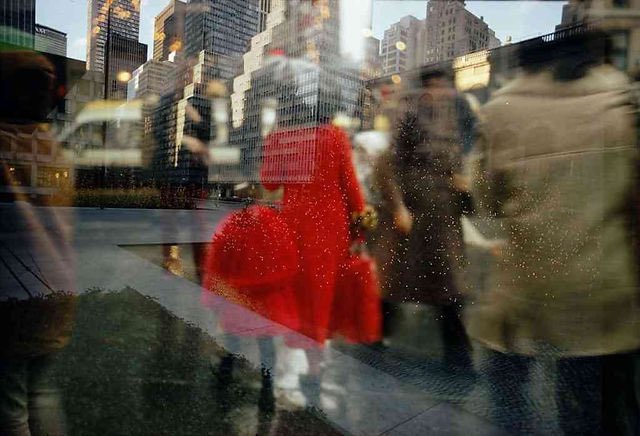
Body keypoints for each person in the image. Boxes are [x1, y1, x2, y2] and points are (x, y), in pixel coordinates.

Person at [468, 32, 640, 435]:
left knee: (508, 394)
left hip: (529, 286)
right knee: (603, 405)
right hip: (607, 289)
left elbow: (486, 200)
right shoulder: (625, 104)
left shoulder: (500, 111)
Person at [259, 56, 366, 404]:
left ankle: (306, 353)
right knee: (321, 292)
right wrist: (359, 226)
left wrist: (272, 145)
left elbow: (270, 183)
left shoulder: (282, 136)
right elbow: (350, 185)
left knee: (300, 290)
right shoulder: (333, 136)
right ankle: (317, 364)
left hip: (295, 222)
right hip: (331, 224)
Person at [0, 49, 76, 436]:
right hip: (56, 289)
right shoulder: (54, 149)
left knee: (10, 404)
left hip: (10, 297)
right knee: (41, 391)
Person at [388, 67, 475, 374]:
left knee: (443, 279)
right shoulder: (412, 110)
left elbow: (462, 151)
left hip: (442, 204)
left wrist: (462, 182)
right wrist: (399, 207)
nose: (442, 92)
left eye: (445, 86)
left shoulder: (454, 110)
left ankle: (458, 356)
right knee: (415, 276)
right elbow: (394, 159)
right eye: (437, 86)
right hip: (419, 203)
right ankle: (458, 358)